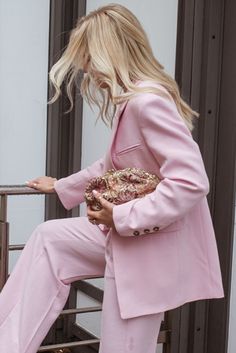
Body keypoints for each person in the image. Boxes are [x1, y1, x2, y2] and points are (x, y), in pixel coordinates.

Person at [0, 4, 224, 353]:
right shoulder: (130, 103)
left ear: (108, 54)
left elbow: (191, 181)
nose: (85, 70)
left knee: (125, 347)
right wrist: (61, 186)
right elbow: (109, 166)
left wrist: (120, 216)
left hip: (149, 249)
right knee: (50, 238)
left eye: (87, 58)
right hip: (127, 238)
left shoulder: (147, 103)